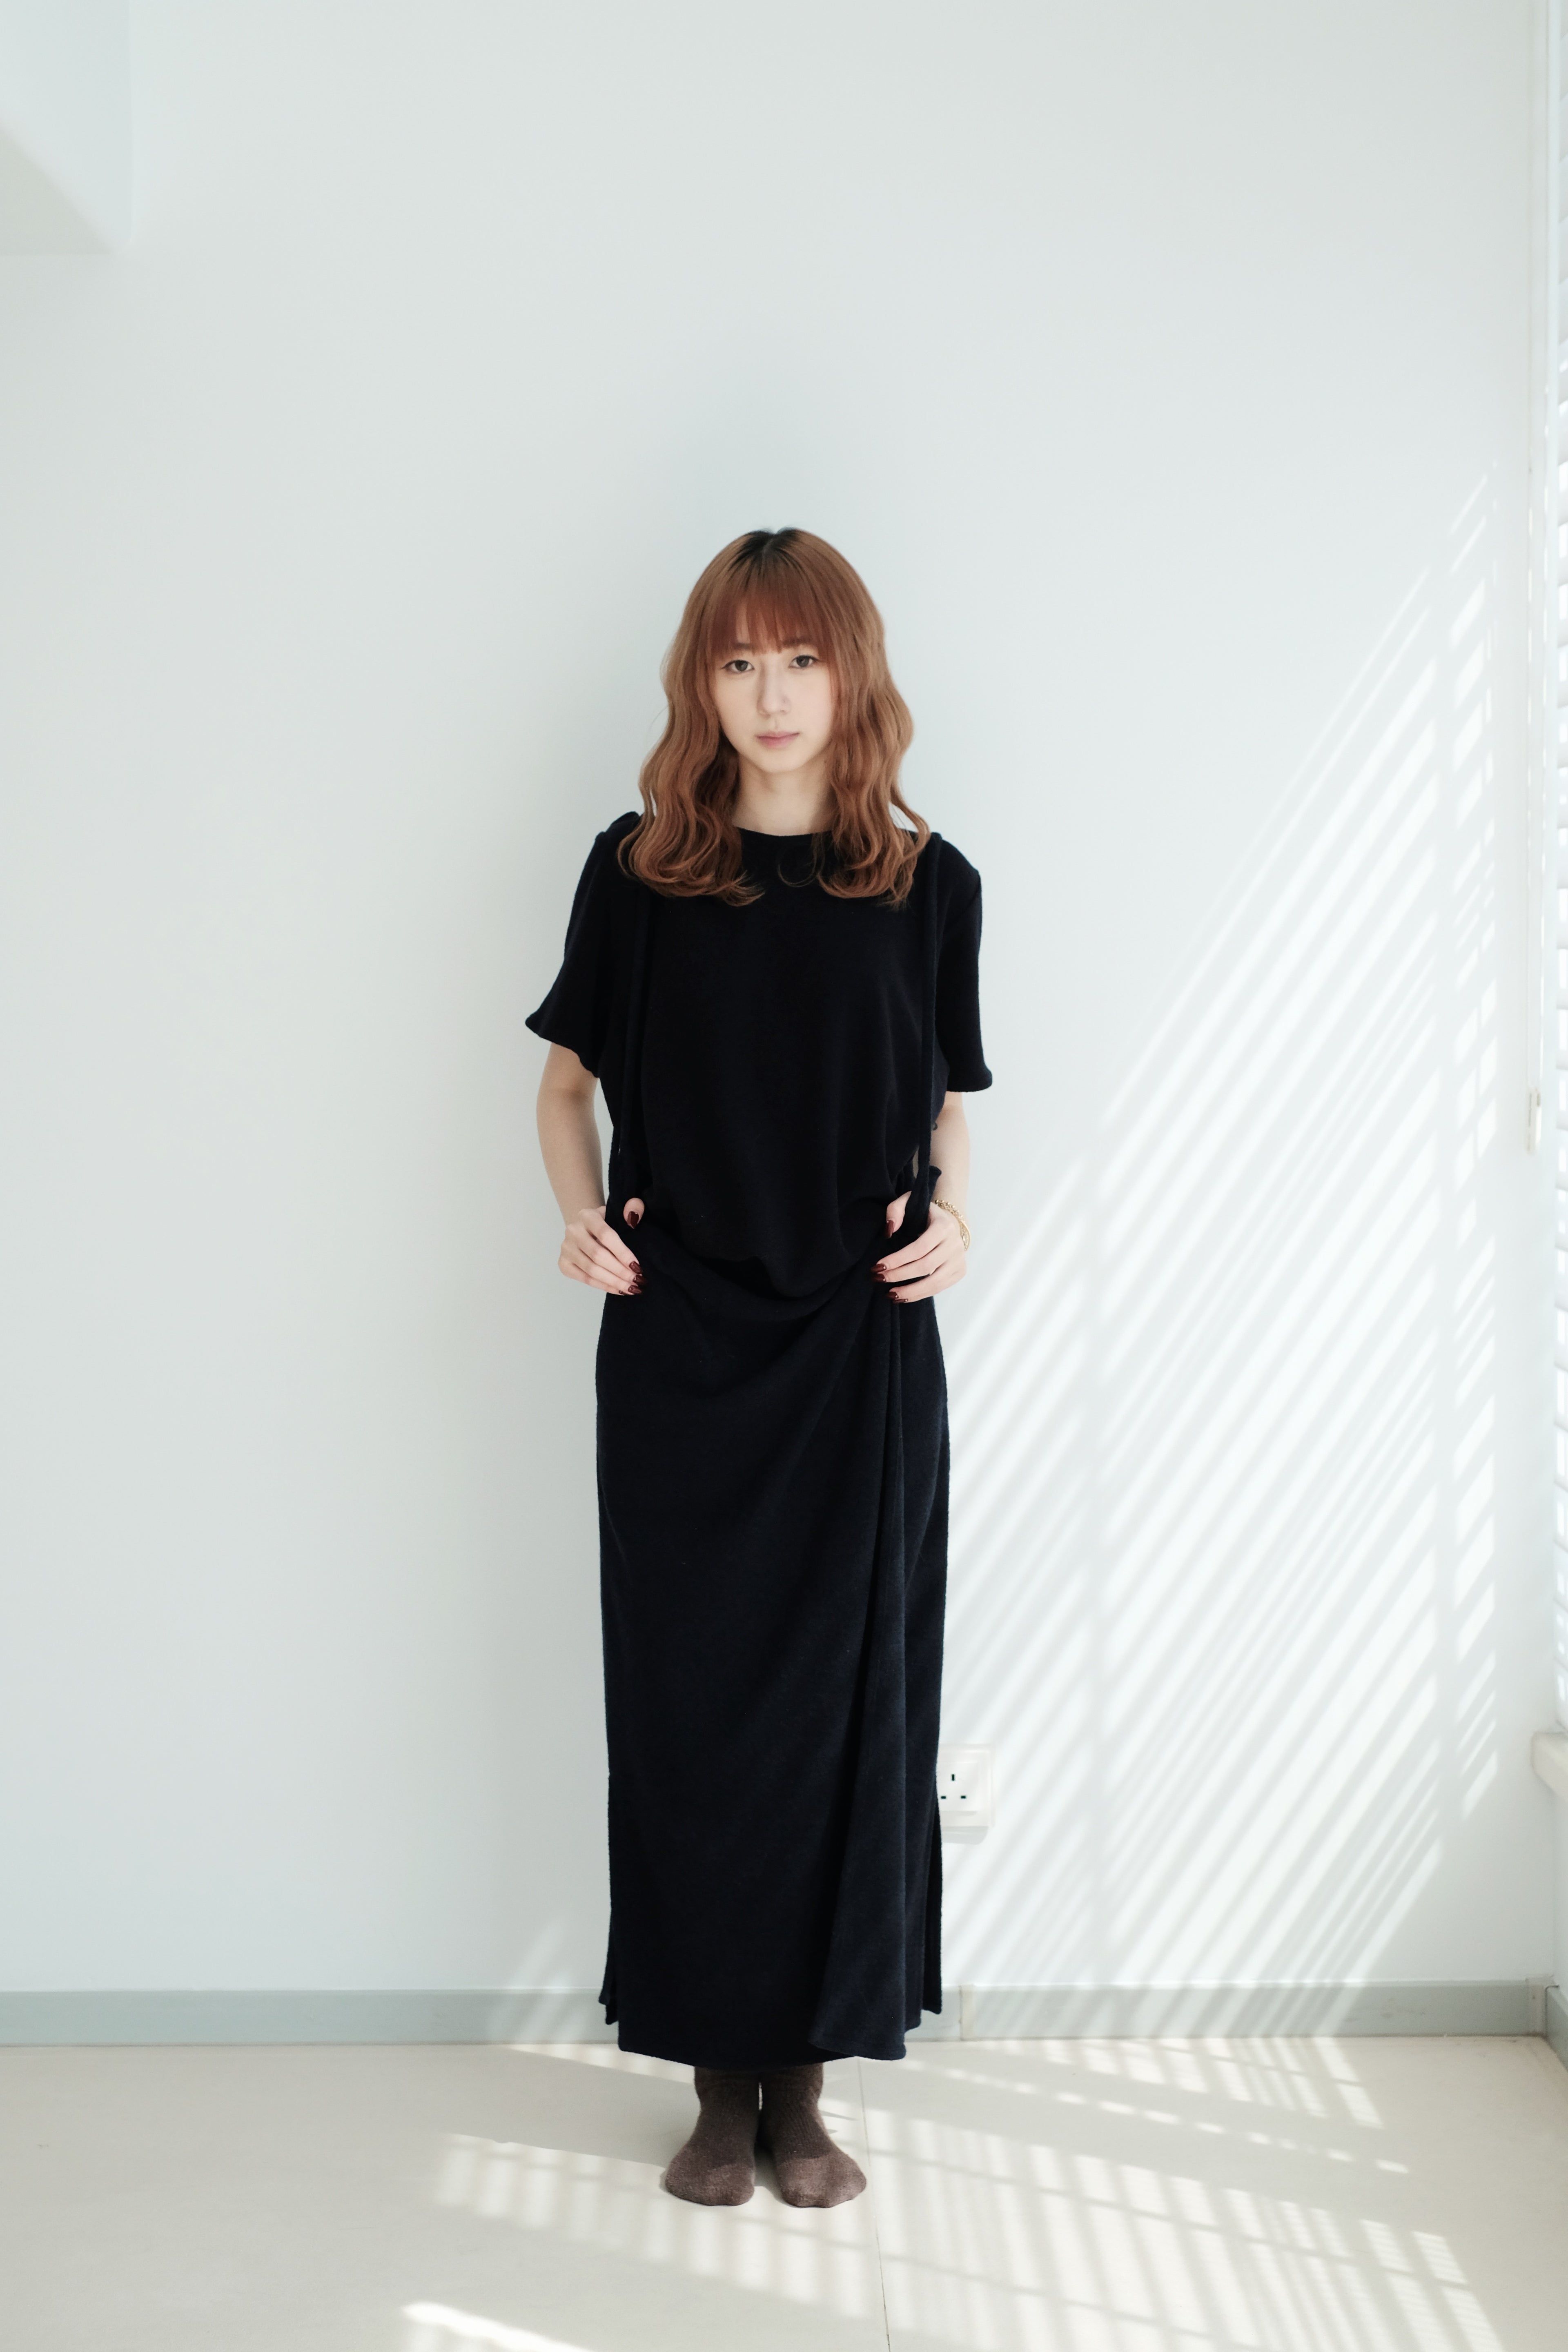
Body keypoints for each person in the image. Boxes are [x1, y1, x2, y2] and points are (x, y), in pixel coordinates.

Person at [526, 527, 991, 2208]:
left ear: (851, 674)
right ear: (700, 683)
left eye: (801, 659)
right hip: (682, 1343)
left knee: (850, 1714)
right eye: (739, 663)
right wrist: (580, 1222)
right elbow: (564, 1090)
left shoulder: (930, 883)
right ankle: (715, 2088)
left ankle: (807, 2087)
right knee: (691, 1713)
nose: (773, 694)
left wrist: (958, 1219)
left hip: (864, 1349)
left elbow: (948, 1100)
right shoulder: (638, 869)